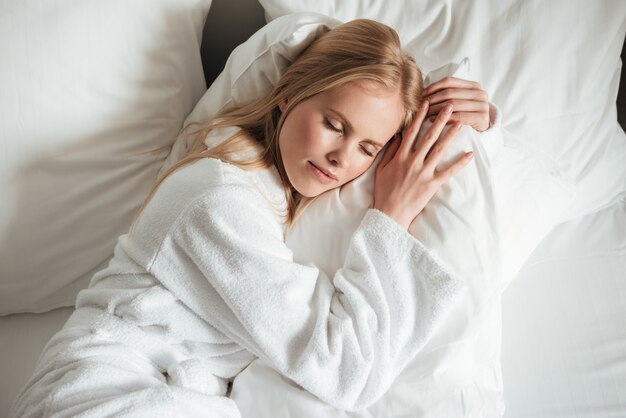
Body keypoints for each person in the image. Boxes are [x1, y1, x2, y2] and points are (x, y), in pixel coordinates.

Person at [12, 19, 491, 418]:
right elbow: (342, 368)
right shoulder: (217, 198)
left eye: (368, 147)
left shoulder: (275, 193)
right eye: (334, 124)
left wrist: (476, 120)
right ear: (289, 94)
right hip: (107, 393)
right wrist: (389, 220)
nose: (343, 157)